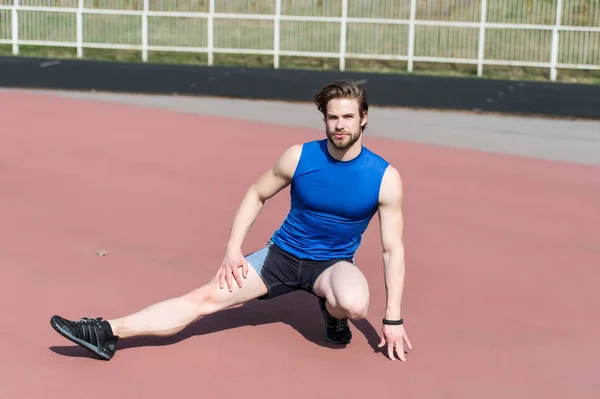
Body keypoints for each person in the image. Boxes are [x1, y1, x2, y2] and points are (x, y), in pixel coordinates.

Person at [49, 79, 412, 362]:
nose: (339, 125)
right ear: (325, 119)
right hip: (282, 255)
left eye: (348, 117)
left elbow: (392, 249)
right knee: (204, 298)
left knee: (353, 304)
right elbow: (256, 193)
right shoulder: (299, 156)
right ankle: (106, 331)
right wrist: (233, 250)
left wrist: (392, 318)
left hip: (332, 264)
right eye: (333, 117)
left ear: (363, 117)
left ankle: (332, 313)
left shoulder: (383, 176)